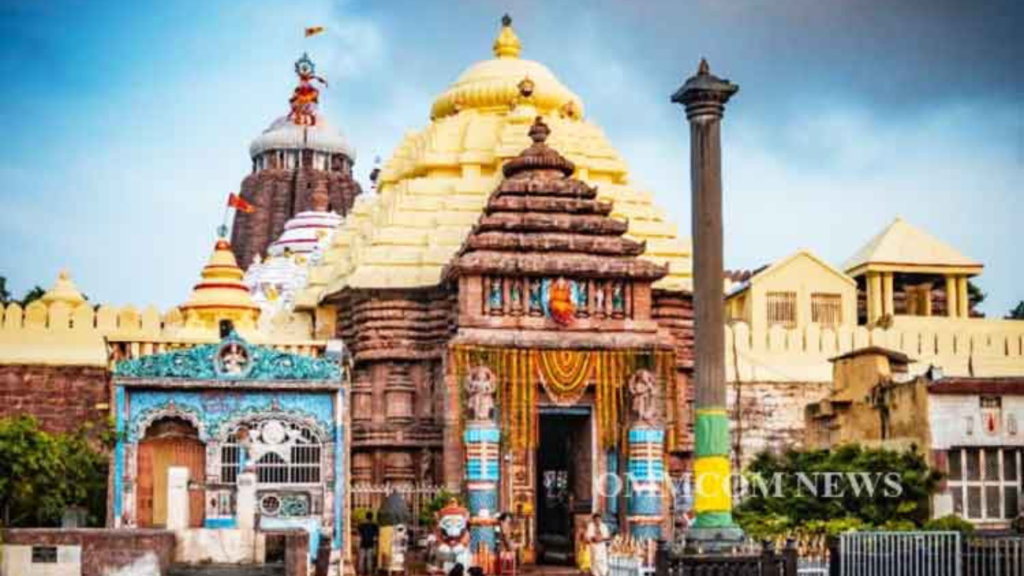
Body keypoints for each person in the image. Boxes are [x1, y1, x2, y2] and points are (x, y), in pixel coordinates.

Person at [358, 511, 380, 576]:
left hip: (363, 543)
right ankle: (369, 572)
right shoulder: (374, 525)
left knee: (361, 559)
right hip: (370, 543)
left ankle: (360, 572)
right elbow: (377, 534)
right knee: (369, 559)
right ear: (372, 517)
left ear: (366, 517)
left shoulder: (361, 525)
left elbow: (359, 532)